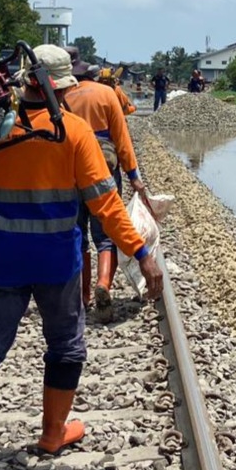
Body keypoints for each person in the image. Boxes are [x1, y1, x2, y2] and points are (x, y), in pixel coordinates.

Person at [0, 46, 162, 470]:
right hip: (56, 263)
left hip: (0, 258)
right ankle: (53, 432)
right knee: (66, 347)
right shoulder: (74, 132)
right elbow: (106, 204)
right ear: (61, 87)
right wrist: (141, 252)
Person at [59, 54, 147, 312]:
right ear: (93, 75)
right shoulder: (107, 94)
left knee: (78, 235)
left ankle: (83, 296)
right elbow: (122, 139)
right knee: (106, 235)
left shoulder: (60, 97)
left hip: (70, 174)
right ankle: (104, 283)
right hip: (103, 172)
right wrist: (133, 176)